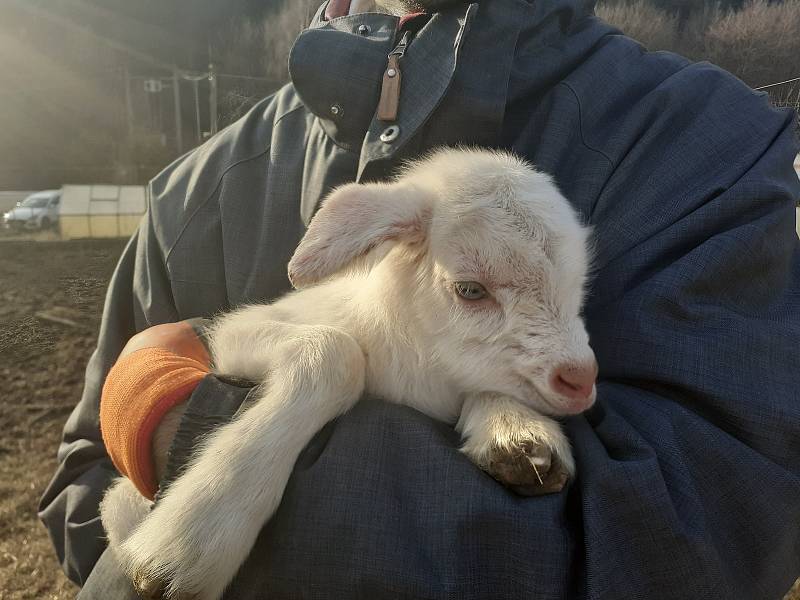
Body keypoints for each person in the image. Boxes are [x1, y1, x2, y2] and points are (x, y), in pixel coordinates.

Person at [39, 0, 800, 598]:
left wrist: (190, 426)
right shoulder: (193, 192)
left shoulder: (708, 151)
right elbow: (80, 499)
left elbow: (707, 543)